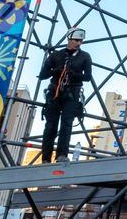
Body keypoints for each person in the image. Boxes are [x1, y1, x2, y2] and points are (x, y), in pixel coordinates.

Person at [39, 27, 92, 163]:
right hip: (55, 93)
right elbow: (42, 75)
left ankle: (61, 155)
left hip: (72, 94)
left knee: (66, 124)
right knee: (51, 125)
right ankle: (45, 158)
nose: (78, 43)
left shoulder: (85, 56)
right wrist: (56, 71)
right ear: (69, 39)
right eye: (76, 40)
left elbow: (88, 77)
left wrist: (73, 74)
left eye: (81, 41)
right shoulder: (56, 55)